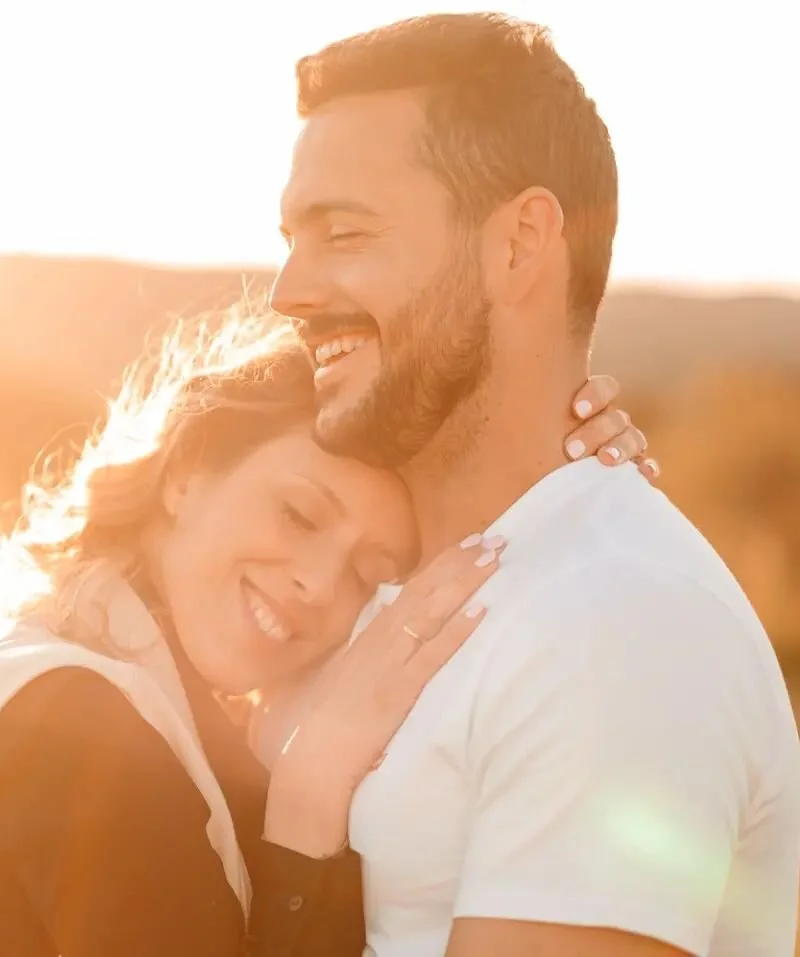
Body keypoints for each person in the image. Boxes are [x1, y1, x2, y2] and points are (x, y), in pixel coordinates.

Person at [0, 307, 655, 957]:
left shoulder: (89, 674)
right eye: (300, 513)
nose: (318, 583)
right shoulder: (83, 727)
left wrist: (563, 476)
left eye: (366, 572)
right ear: (185, 472)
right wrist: (308, 801)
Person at [259, 13, 800, 957]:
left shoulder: (618, 621)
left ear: (519, 244)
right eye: (290, 238)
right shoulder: (355, 577)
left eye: (342, 232)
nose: (286, 291)